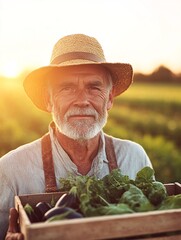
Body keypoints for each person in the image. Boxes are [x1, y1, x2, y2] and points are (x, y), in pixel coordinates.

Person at [0, 33, 153, 239]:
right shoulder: (11, 171)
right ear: (49, 100)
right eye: (67, 88)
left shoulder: (135, 158)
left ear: (109, 99)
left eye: (94, 87)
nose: (82, 100)